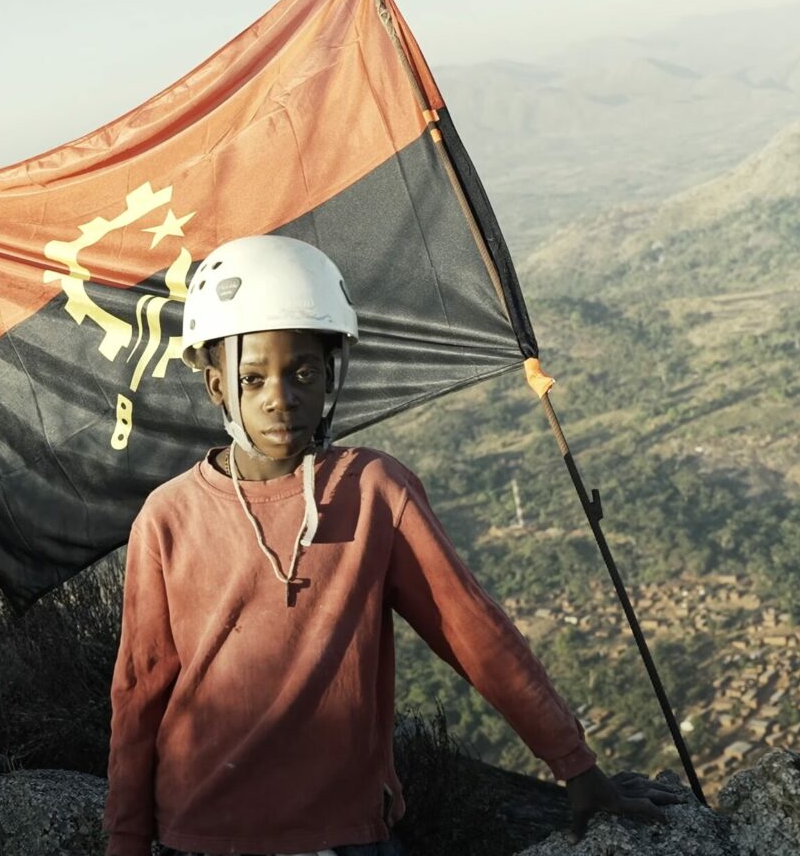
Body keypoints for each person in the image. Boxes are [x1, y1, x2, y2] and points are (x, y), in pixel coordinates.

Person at [104, 236, 682, 855]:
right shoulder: (168, 517)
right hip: (203, 833)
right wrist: (126, 840)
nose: (281, 397)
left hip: (346, 833)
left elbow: (474, 634)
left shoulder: (375, 491)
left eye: (304, 372)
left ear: (331, 374)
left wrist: (577, 768)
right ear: (217, 385)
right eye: (253, 377)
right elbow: (140, 691)